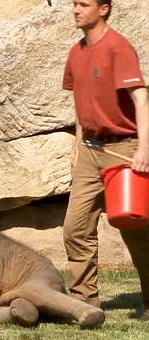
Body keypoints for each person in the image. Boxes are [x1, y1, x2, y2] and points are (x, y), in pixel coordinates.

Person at [62, 0, 149, 320]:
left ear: (103, 9)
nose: (75, 10)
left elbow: (141, 99)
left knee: (135, 227)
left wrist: (144, 148)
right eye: (73, 4)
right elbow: (81, 99)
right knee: (75, 227)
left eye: (83, 4)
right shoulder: (76, 51)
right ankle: (86, 303)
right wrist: (76, 145)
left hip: (123, 150)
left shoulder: (119, 48)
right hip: (88, 150)